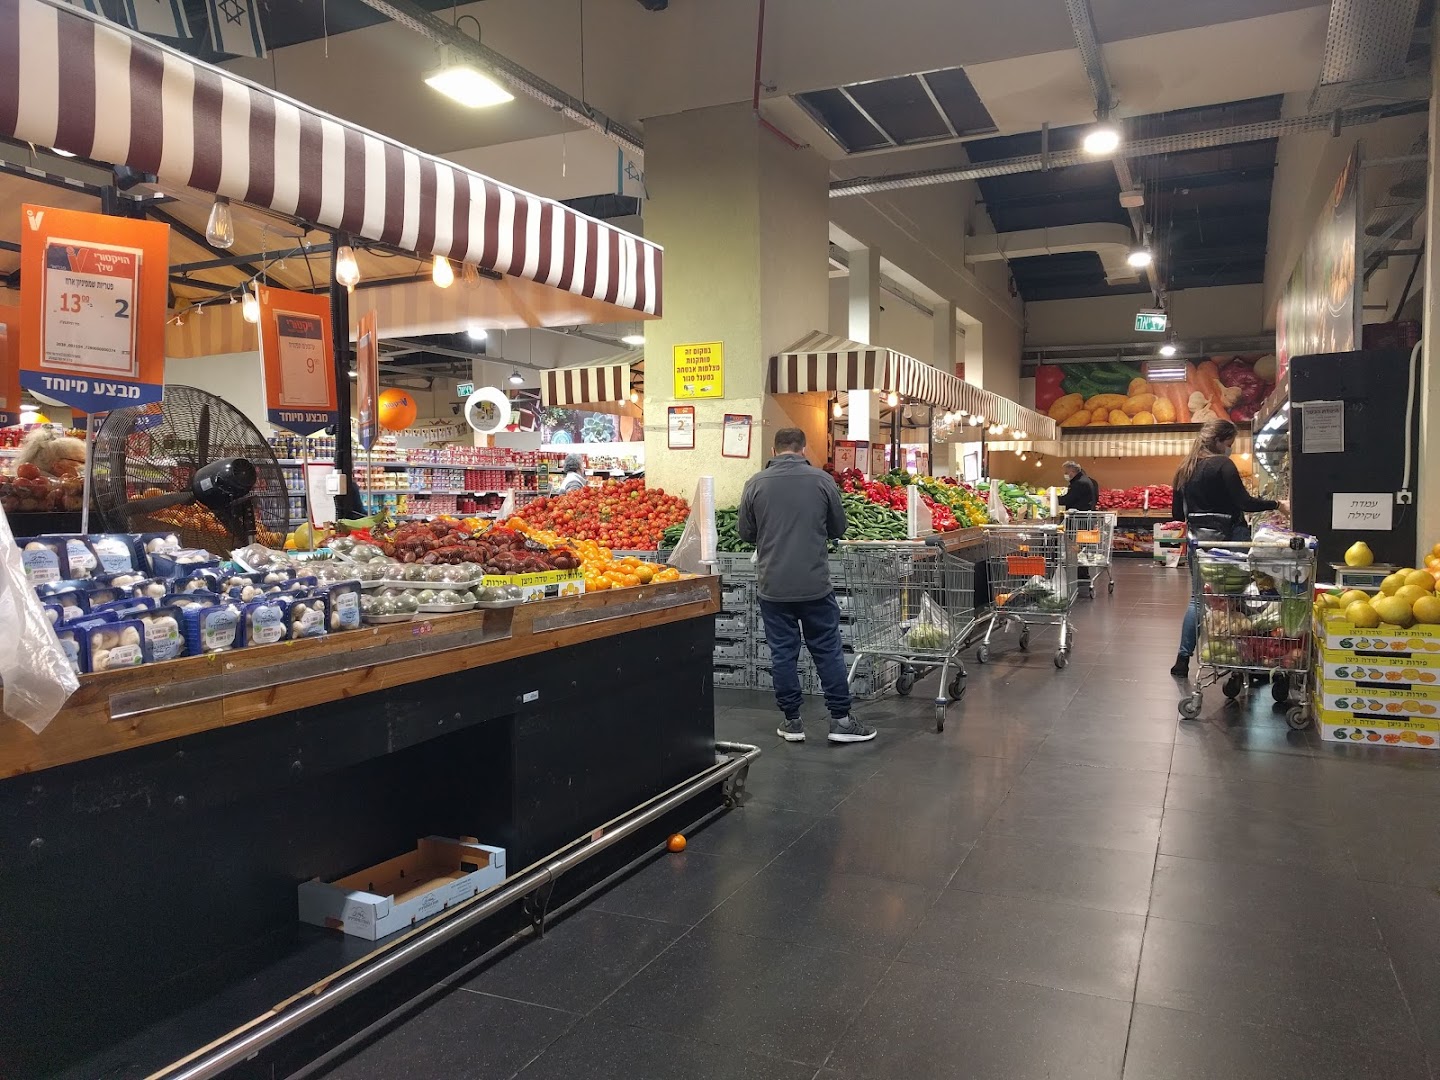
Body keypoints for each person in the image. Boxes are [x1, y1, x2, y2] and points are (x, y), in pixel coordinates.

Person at [738, 428, 876, 744]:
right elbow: (838, 528)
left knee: (782, 653)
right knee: (827, 650)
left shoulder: (755, 483)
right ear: (804, 449)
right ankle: (841, 721)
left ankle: (792, 722)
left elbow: (746, 533)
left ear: (774, 450)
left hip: (773, 586)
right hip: (815, 584)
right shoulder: (822, 481)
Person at [1170, 418, 1288, 678]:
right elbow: (1244, 502)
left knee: (1198, 599)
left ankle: (1182, 659)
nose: (1230, 448)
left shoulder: (1185, 468)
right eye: (1229, 443)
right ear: (1219, 441)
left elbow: (1177, 513)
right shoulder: (1223, 465)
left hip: (1199, 543)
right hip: (1230, 542)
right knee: (1236, 596)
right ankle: (1243, 656)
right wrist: (1277, 504)